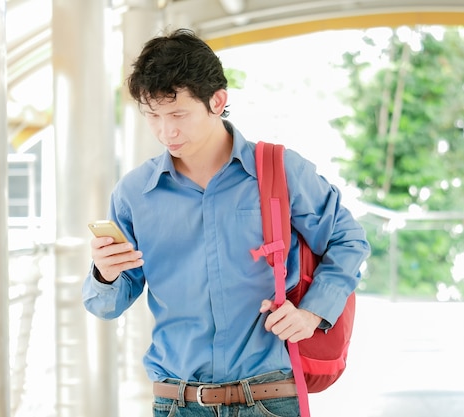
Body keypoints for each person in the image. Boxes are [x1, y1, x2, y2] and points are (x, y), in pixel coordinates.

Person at [82, 28, 370, 416]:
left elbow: (347, 240)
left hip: (270, 397)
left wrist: (313, 313)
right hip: (176, 403)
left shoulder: (280, 170)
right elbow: (106, 306)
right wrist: (105, 274)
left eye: (178, 114)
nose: (166, 131)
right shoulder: (135, 194)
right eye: (153, 116)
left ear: (217, 101)